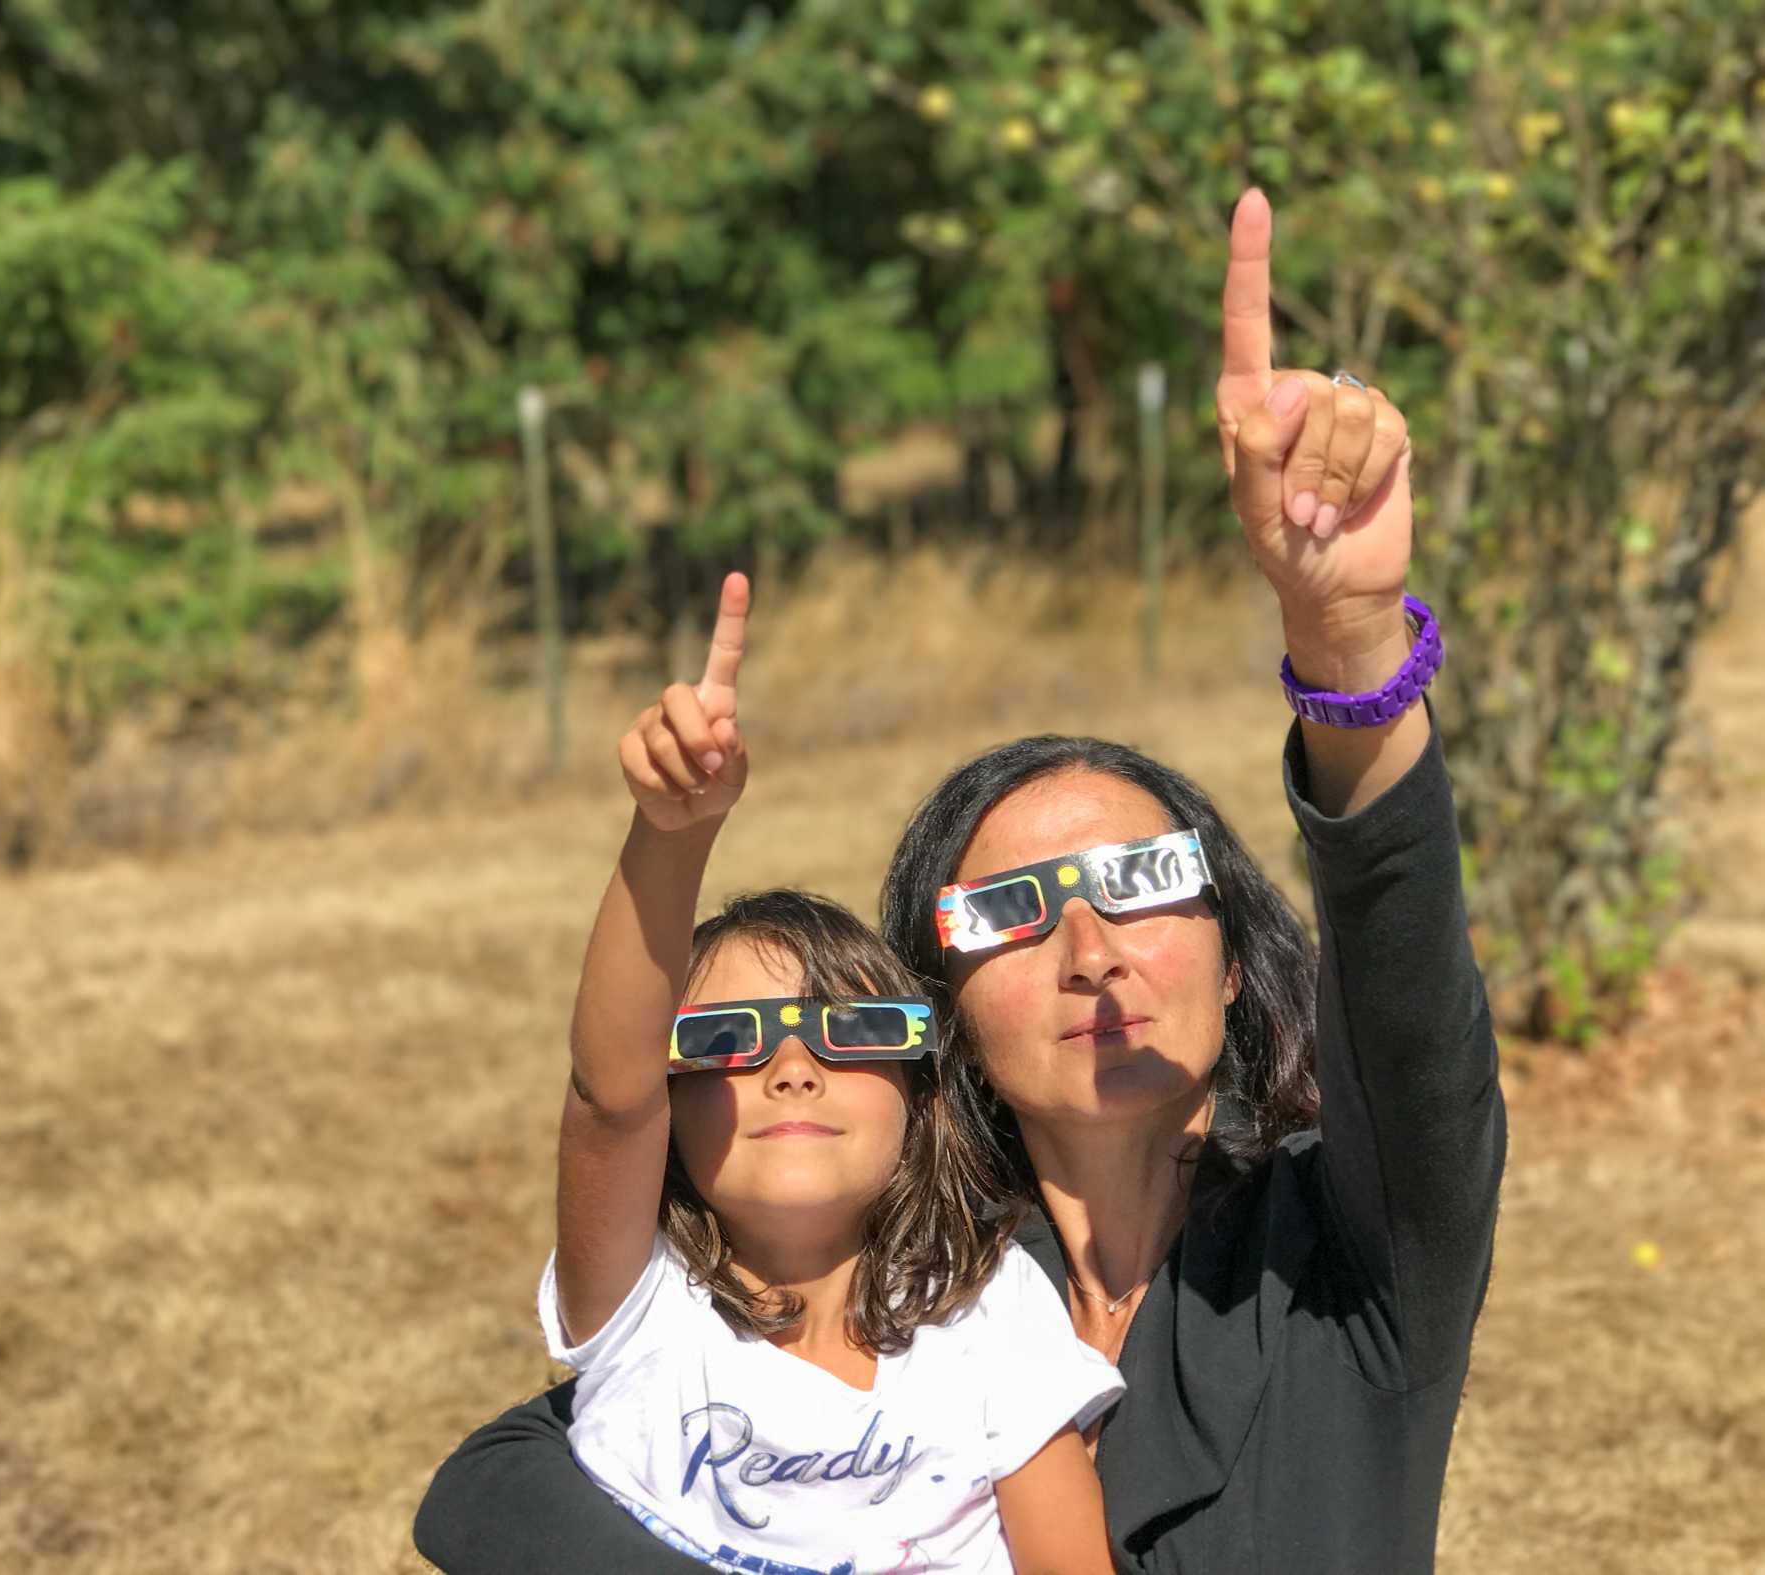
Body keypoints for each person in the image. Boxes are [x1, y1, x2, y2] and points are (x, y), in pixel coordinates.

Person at [415, 190, 1504, 1573]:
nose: (1092, 944)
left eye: (1144, 877)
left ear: (1234, 957)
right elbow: (498, 1480)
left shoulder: (1355, 1242)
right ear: (941, 1015)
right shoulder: (917, 1270)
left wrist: (1347, 640)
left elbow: (1409, 1003)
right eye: (1008, 912)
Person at [528, 570, 1126, 1573]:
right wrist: (672, 835)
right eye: (729, 1040)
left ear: (919, 1098)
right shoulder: (640, 1308)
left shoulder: (986, 1307)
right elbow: (607, 1092)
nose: (793, 1068)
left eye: (855, 1032)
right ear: (668, 1106)